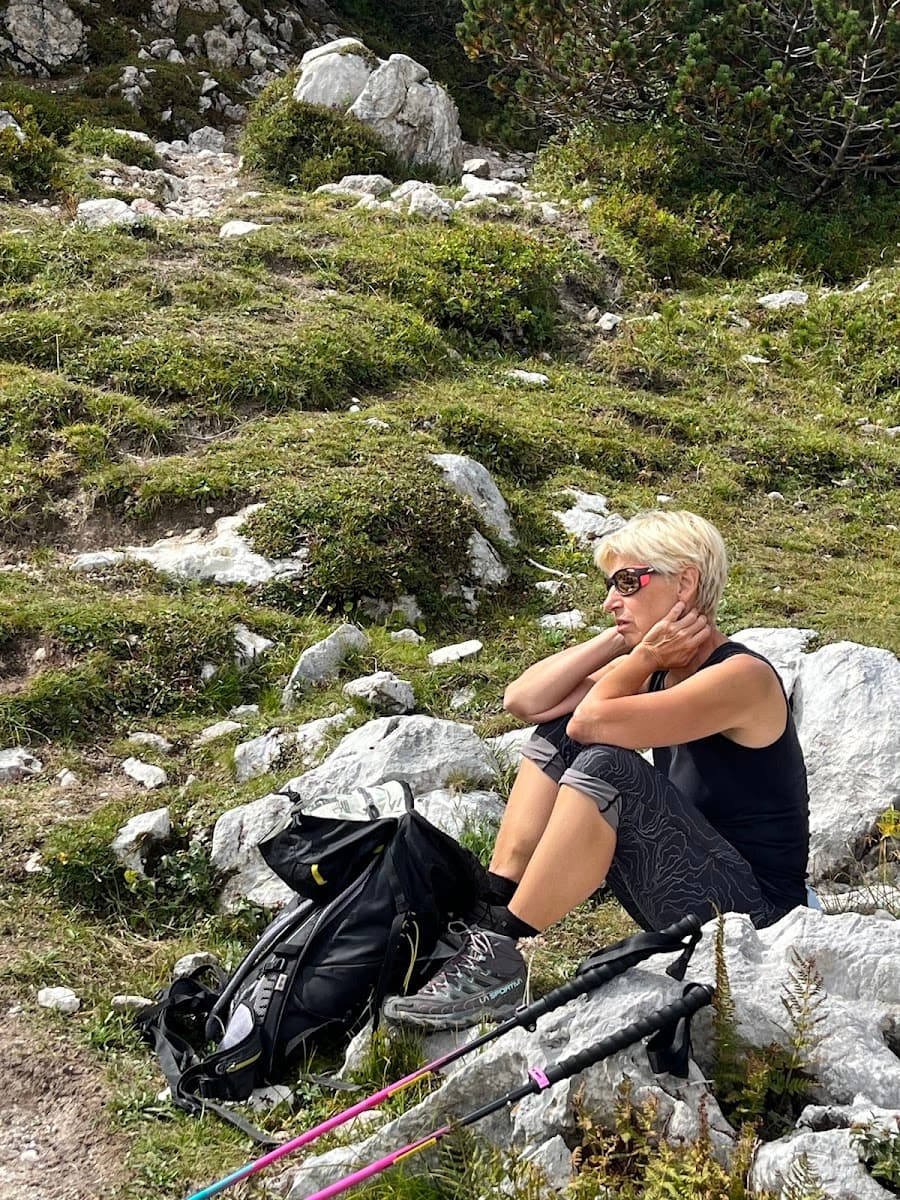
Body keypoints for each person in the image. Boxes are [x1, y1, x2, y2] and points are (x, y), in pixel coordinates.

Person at [383, 510, 810, 1031]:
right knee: (557, 728)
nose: (611, 600)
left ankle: (500, 954)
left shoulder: (741, 677)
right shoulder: (660, 669)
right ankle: (490, 917)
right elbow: (524, 700)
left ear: (687, 583)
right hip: (694, 886)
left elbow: (592, 723)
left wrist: (638, 657)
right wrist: (623, 640)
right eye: (610, 587)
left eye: (628, 583)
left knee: (608, 763)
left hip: (757, 918)